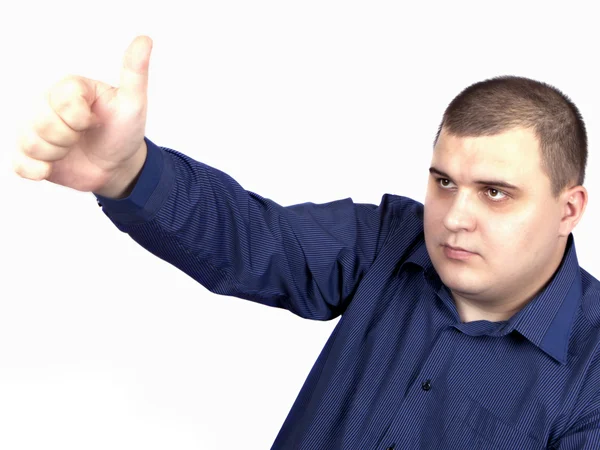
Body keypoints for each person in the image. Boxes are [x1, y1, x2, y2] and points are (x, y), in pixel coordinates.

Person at [13, 35, 600, 450]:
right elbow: (252, 239)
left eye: (496, 193)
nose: (454, 218)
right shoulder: (385, 244)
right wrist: (127, 173)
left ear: (567, 209)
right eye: (443, 182)